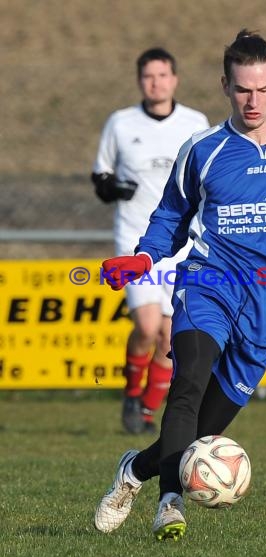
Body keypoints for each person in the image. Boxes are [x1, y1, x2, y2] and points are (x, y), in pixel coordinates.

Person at [94, 30, 266, 541]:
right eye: (243, 89)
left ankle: (133, 471)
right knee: (189, 382)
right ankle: (169, 505)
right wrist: (143, 257)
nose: (253, 100)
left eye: (263, 89)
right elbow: (170, 218)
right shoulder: (203, 149)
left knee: (203, 430)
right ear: (226, 85)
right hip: (208, 283)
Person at [91, 48, 209, 434]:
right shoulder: (121, 123)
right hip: (134, 240)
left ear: (174, 79)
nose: (155, 82)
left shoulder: (195, 123)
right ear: (139, 80)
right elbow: (101, 176)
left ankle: (146, 409)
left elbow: (204, 178)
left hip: (179, 242)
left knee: (169, 334)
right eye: (148, 76)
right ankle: (131, 394)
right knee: (146, 327)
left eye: (162, 75)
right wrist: (111, 189)